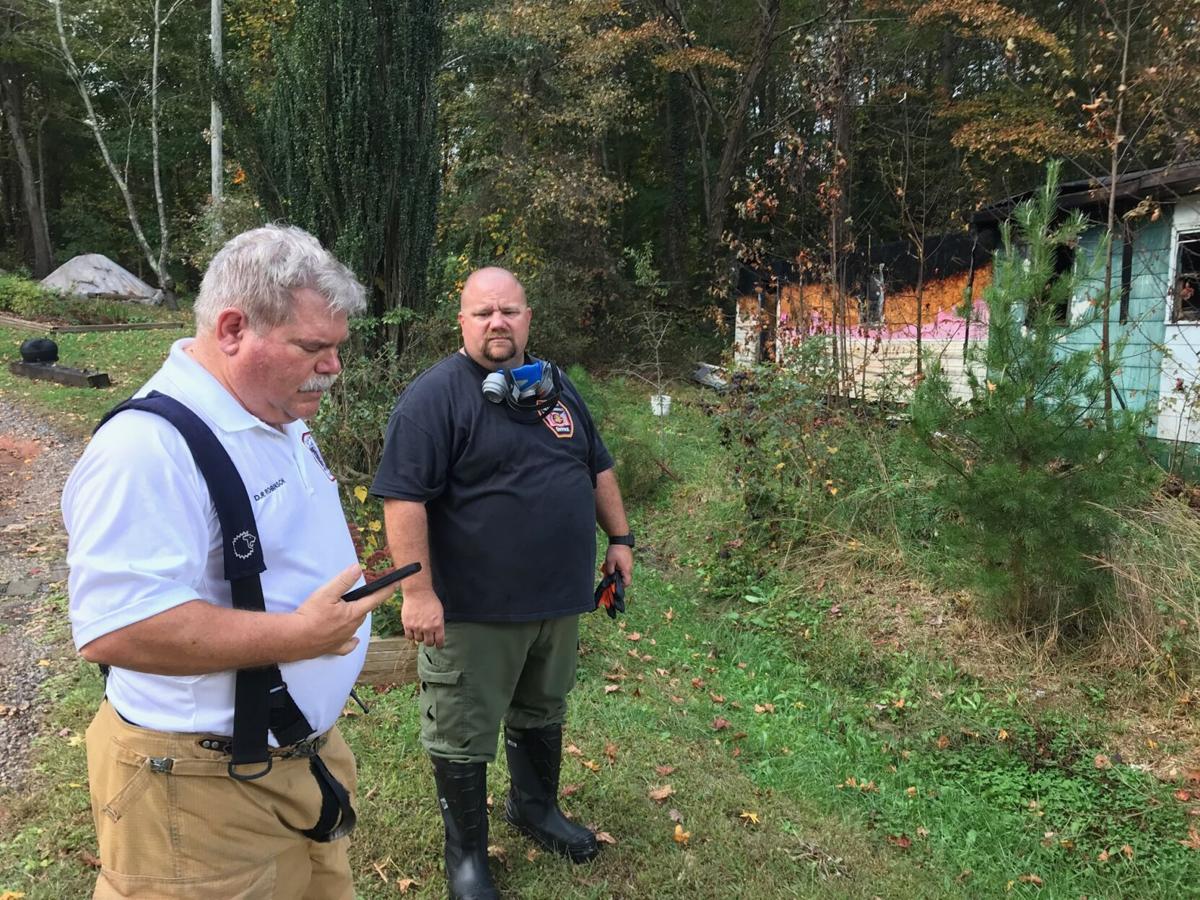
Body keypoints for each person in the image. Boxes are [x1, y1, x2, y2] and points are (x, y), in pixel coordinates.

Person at [62, 225, 393, 899]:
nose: (334, 367)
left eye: (337, 348)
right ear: (235, 328)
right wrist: (301, 639)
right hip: (198, 791)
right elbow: (116, 628)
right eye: (313, 347)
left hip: (294, 763)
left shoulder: (275, 412)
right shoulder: (145, 451)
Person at [371, 267, 634, 899]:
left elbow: (596, 465)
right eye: (483, 312)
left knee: (543, 706)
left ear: (527, 317)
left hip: (558, 600)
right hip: (474, 610)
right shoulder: (434, 398)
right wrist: (417, 591)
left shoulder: (556, 387)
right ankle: (465, 856)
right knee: (462, 728)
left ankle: (534, 808)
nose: (498, 323)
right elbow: (402, 499)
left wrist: (620, 540)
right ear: (462, 321)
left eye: (509, 311)